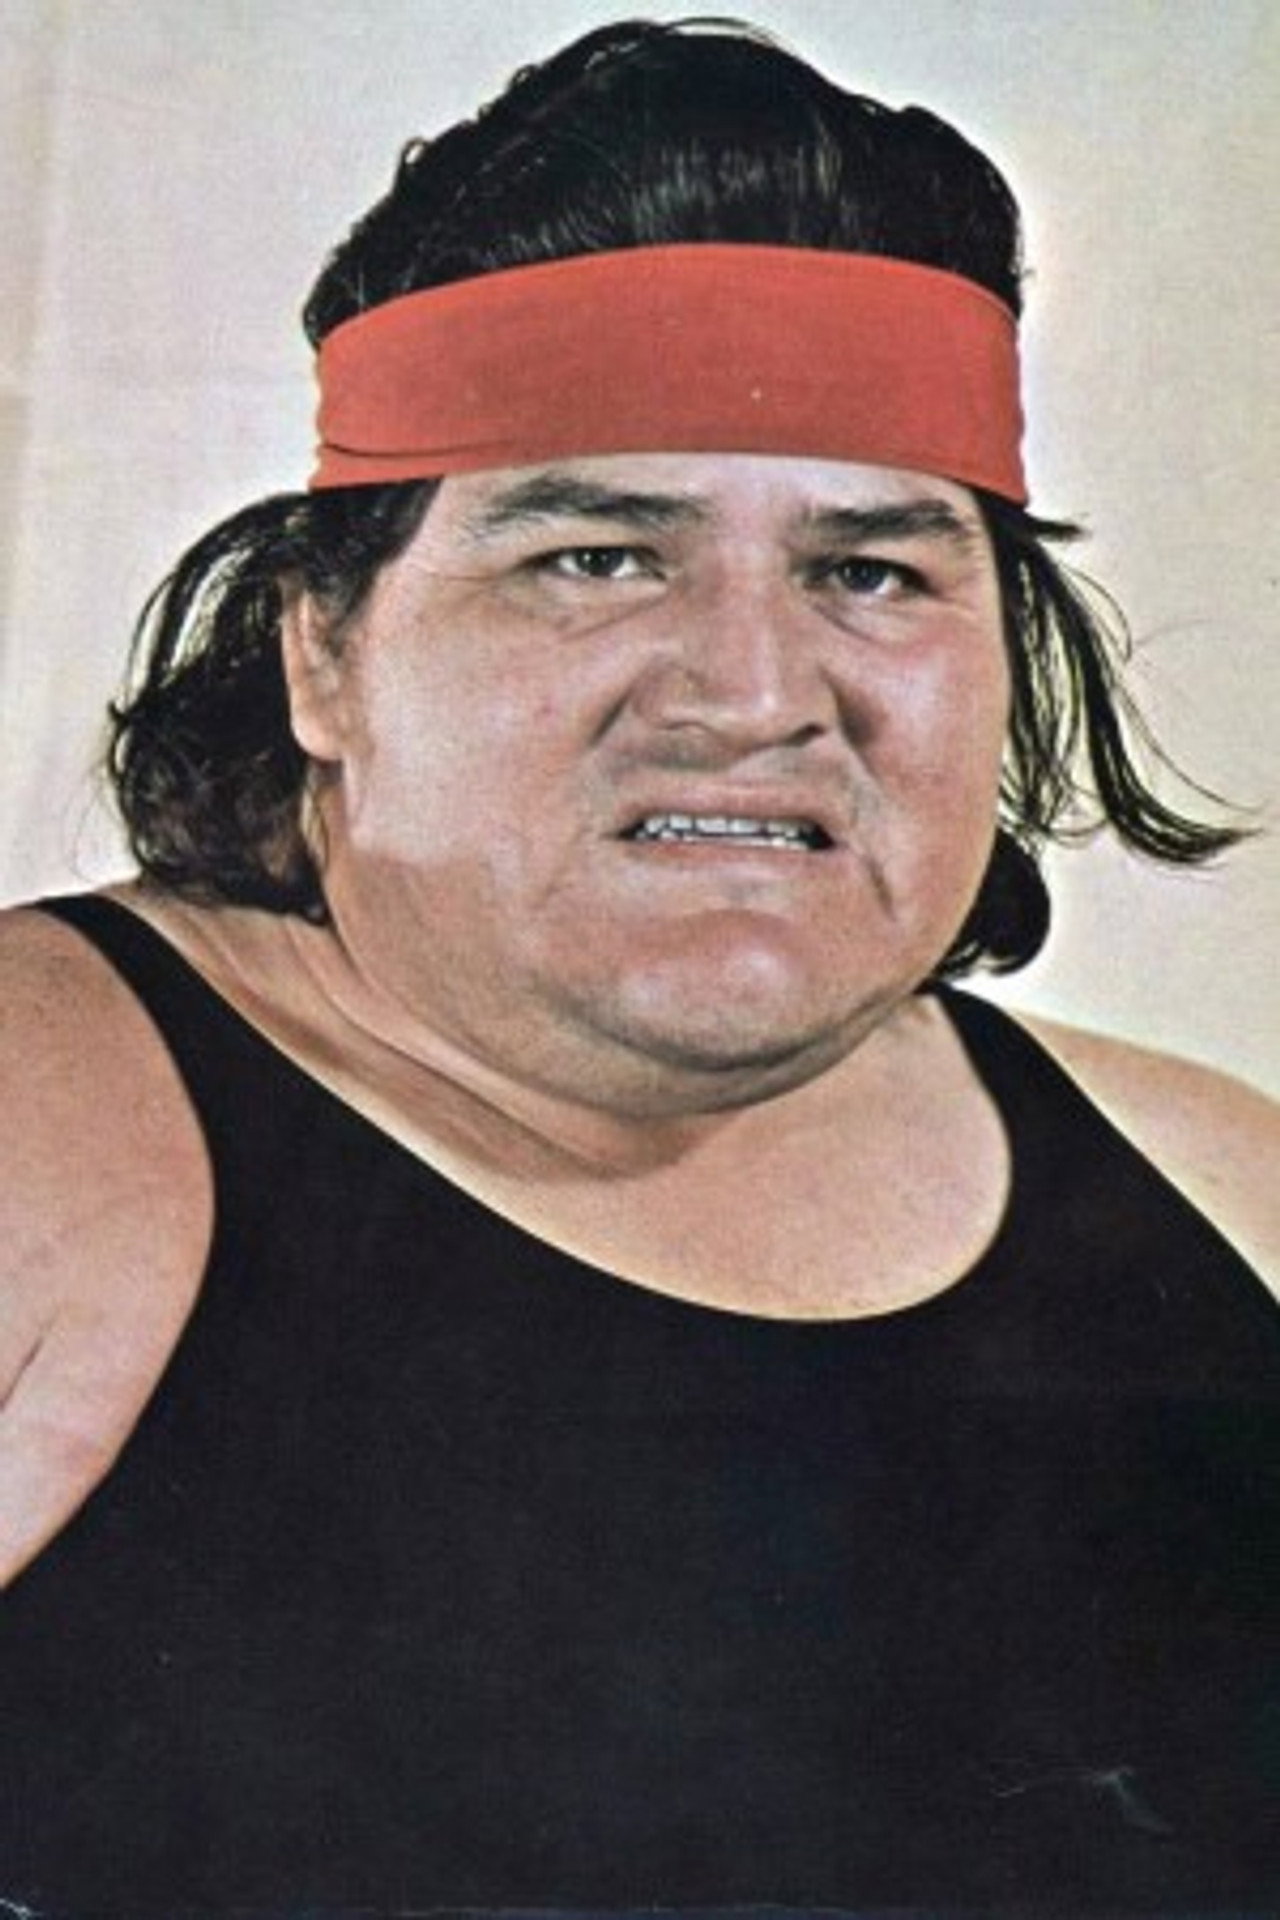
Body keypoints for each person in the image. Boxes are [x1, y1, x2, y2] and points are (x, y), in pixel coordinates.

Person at [0, 16, 1276, 1911]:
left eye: (872, 571)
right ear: (322, 655)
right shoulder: (48, 1119)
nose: (754, 695)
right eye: (597, 556)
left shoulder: (1230, 1198)